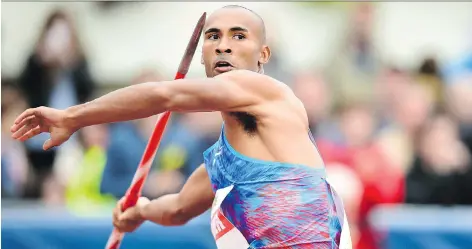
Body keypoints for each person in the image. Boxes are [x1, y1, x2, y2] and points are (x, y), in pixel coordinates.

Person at [11, 5, 352, 249]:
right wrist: (140, 211)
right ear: (203, 55)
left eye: (238, 36)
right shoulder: (223, 158)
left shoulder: (268, 92)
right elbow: (177, 209)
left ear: (263, 54)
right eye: (213, 36)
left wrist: (73, 117)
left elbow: (163, 94)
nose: (224, 45)